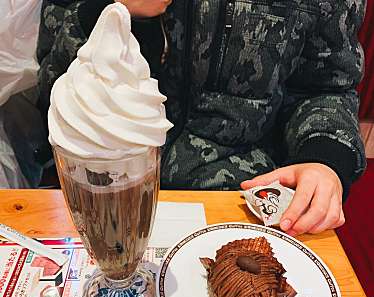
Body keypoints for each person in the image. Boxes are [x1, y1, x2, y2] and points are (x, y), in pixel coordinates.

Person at [36, 0, 367, 237]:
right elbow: (53, 86)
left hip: (240, 197)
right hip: (102, 183)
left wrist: (325, 160)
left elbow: (326, 88)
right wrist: (111, 14)